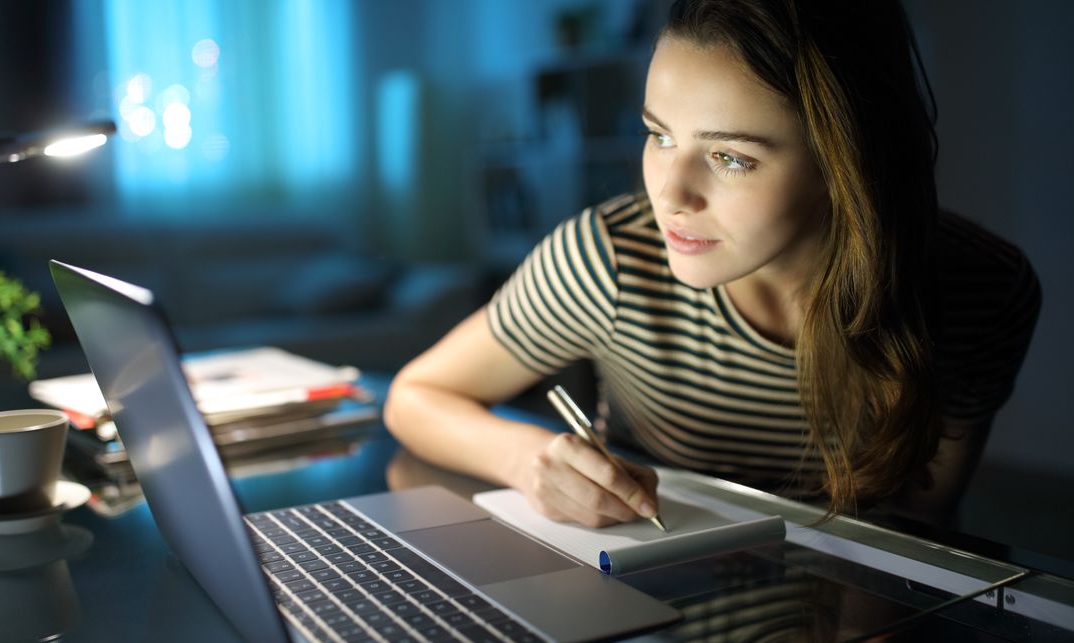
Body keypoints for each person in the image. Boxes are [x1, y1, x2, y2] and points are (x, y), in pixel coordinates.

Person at [384, 0, 1041, 530]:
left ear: (846, 164)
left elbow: (921, 527)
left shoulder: (979, 291)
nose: (669, 195)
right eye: (659, 135)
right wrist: (530, 460)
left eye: (730, 157)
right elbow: (414, 397)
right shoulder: (609, 258)